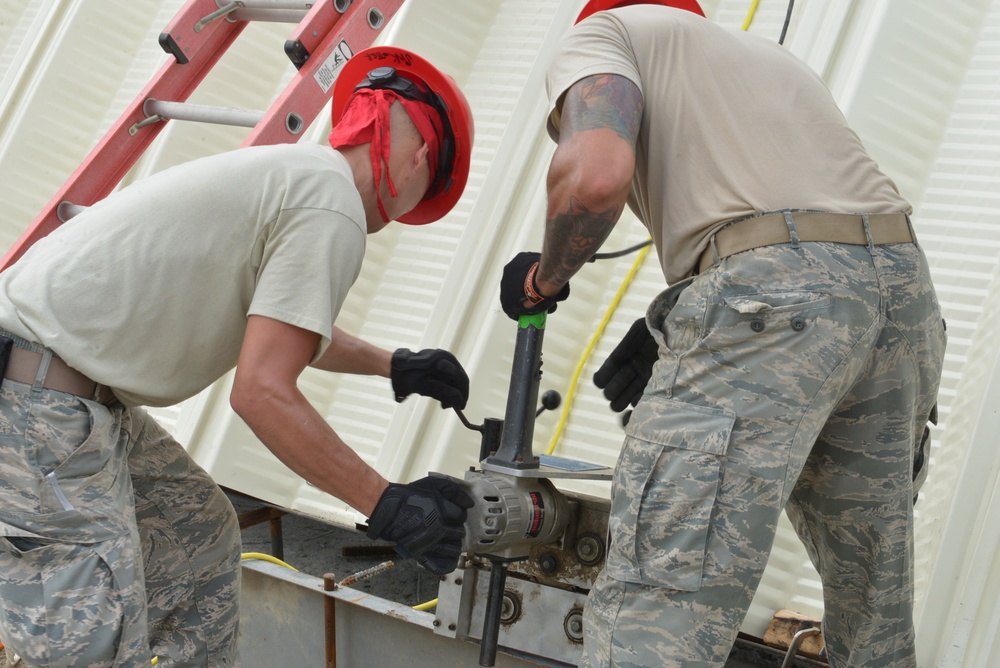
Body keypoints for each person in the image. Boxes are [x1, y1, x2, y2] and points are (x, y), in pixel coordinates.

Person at [499, 2, 946, 667]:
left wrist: (547, 275)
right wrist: (695, 304)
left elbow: (594, 178)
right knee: (874, 621)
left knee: (656, 612)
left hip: (774, 295)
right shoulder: (765, 59)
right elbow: (800, 220)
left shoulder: (604, 35)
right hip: (903, 298)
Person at [0, 46, 475, 667]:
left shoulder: (303, 181)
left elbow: (287, 327)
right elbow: (260, 392)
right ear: (419, 161)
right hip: (40, 407)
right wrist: (386, 504)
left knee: (197, 533)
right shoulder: (333, 206)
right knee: (95, 644)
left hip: (62, 389)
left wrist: (397, 366)